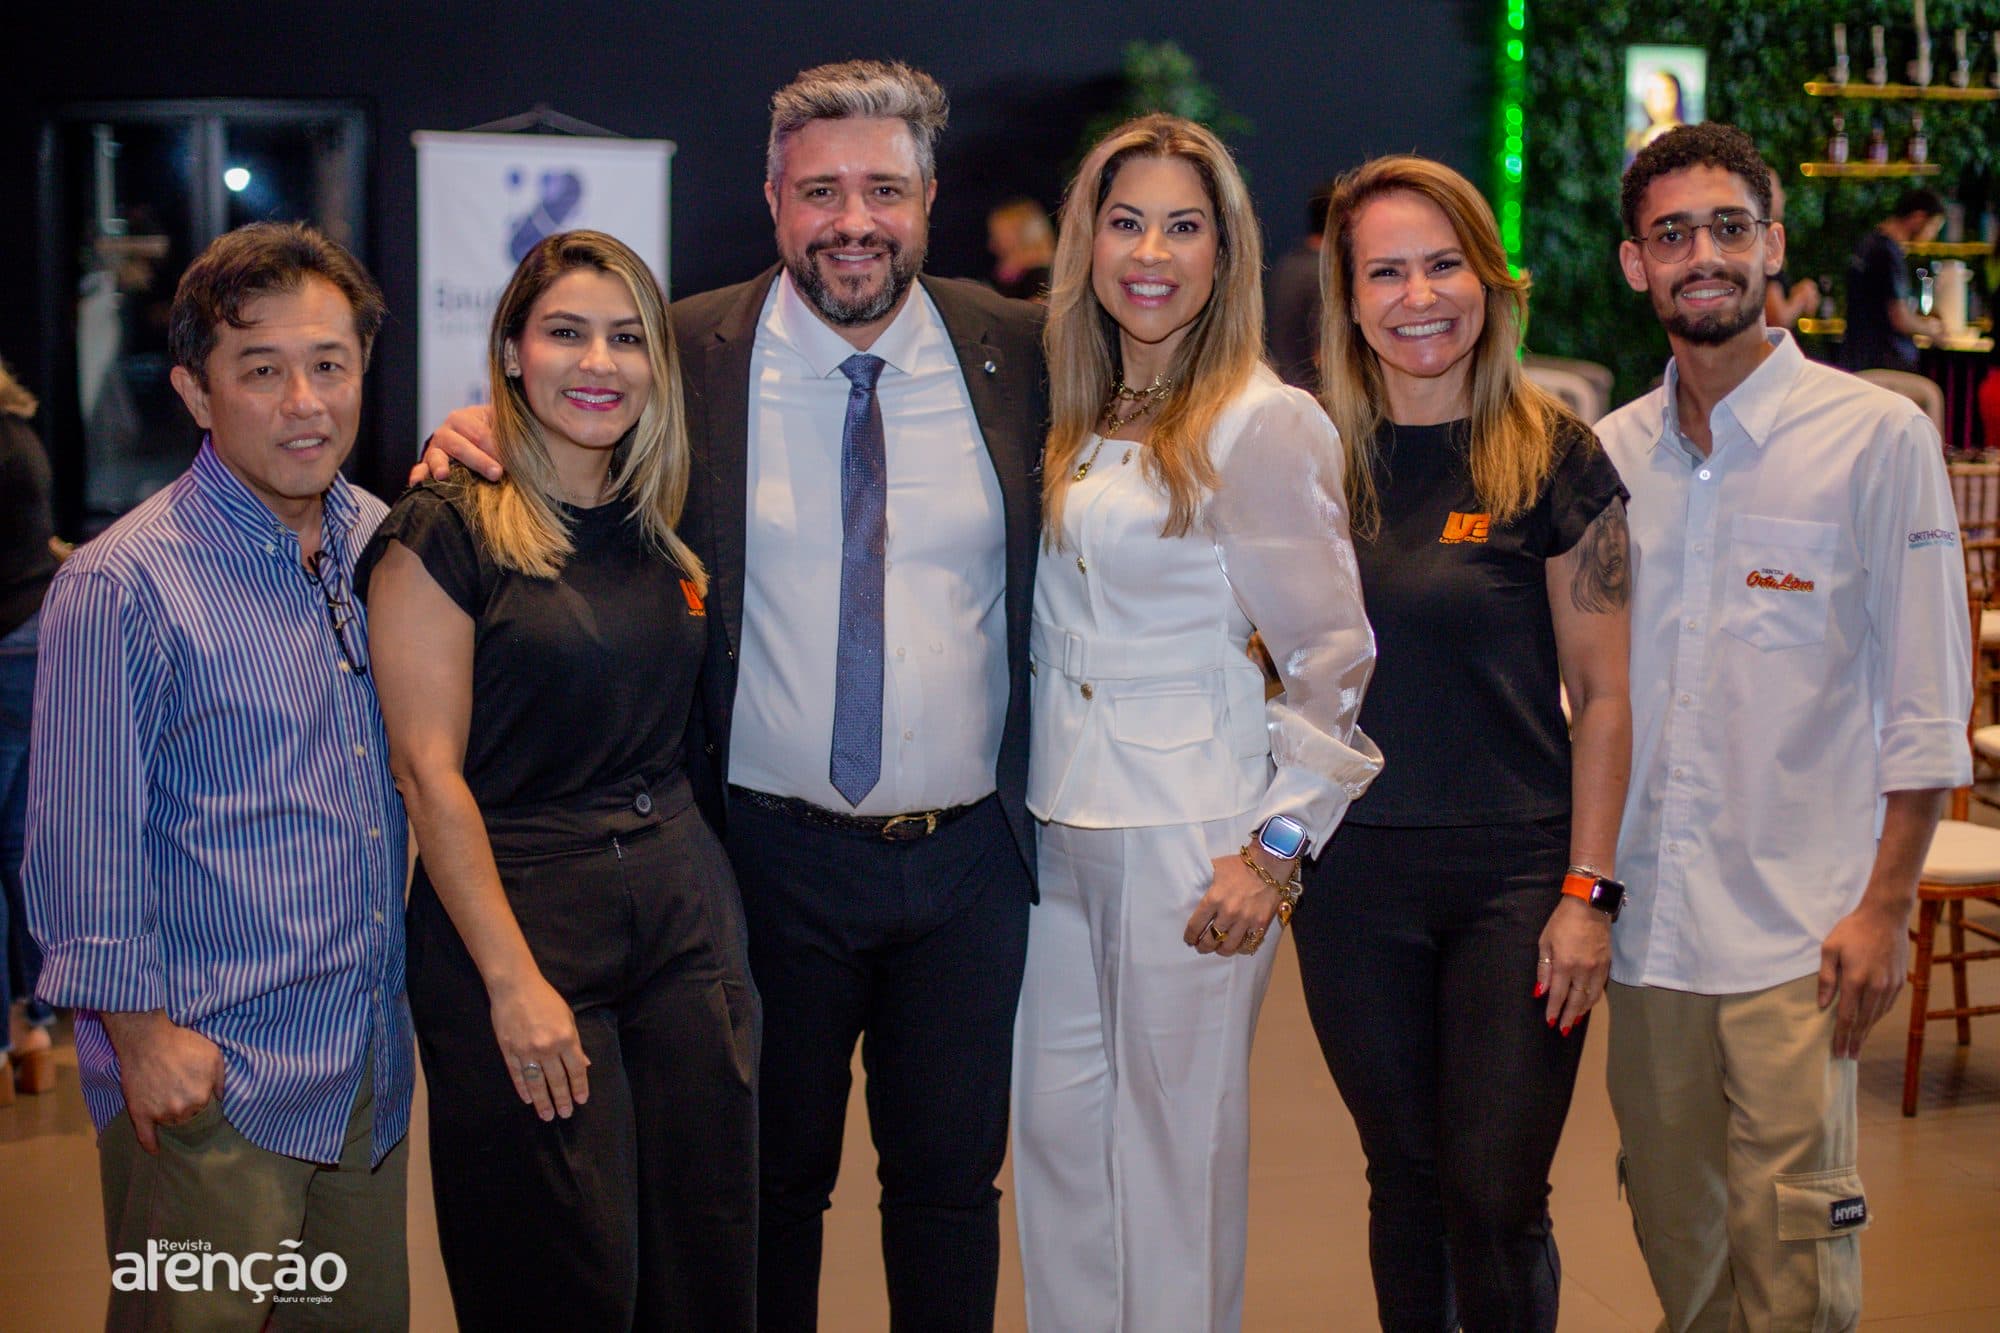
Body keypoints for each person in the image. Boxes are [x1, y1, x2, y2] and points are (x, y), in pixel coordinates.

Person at [419, 60, 1047, 1332]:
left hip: (970, 863)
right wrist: (474, 430)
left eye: (883, 190)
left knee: (950, 1191)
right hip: (761, 860)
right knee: (760, 1193)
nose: (852, 221)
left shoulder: (1022, 351)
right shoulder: (682, 355)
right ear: (771, 199)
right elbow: (562, 411)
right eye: (819, 192)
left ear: (929, 198)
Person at [1013, 114, 1381, 1332]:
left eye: (1182, 226)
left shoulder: (1260, 420)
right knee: (1062, 1152)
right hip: (1054, 824)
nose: (1150, 253)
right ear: (1086, 239)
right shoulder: (1076, 400)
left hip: (1191, 837)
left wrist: (1275, 850)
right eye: (1125, 223)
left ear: (1223, 252)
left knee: (1174, 1166)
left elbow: (1333, 657)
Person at [1602, 122, 1969, 1331]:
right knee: (1678, 1249)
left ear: (1769, 245)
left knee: (1797, 1270)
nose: (1700, 254)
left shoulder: (1874, 437)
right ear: (1634, 264)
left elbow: (1925, 698)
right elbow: (1586, 699)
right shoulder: (1607, 459)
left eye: (1726, 226)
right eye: (1671, 234)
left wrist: (1883, 907)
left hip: (1799, 939)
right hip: (1646, 936)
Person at [362, 230, 756, 1330]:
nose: (599, 363)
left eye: (627, 338)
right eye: (567, 332)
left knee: (705, 1265)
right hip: (521, 919)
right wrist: (510, 983)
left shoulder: (661, 524)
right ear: (512, 352)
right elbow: (426, 774)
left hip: (682, 924)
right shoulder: (443, 527)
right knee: (562, 1274)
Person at [24, 221, 412, 1328]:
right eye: (262, 370)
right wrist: (145, 1042)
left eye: (329, 364)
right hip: (213, 1090)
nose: (305, 402)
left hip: (363, 1073)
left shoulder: (381, 544)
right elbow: (80, 845)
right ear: (196, 391)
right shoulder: (122, 585)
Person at [1295, 155, 1634, 1332]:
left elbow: (1603, 695)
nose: (1417, 296)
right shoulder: (1307, 464)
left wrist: (1587, 891)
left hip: (1515, 880)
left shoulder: (1555, 456)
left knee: (1493, 1196)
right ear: (1347, 299)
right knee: (1405, 1181)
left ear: (1488, 281)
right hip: (1352, 882)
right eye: (1384, 271)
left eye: (1442, 264)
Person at [0, 358, 59, 1105]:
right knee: (18, 849)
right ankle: (34, 1026)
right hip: (35, 636)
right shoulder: (18, 431)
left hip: (6, 638)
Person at [1840, 187, 1947, 373]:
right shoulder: (1888, 253)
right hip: (1884, 362)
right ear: (1918, 218)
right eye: (1933, 227)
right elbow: (1899, 317)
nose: (1933, 236)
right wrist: (1931, 330)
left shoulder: (1867, 244)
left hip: (1859, 355)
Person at [1266, 177, 1334, 391]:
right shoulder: (1325, 275)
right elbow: (1325, 354)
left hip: (1284, 388)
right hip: (1316, 398)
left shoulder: (1286, 266)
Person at [1762, 168, 1820, 332]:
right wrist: (1802, 296)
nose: (1783, 196)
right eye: (1778, 189)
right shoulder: (1767, 245)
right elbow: (1778, 318)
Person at [987, 196, 1055, 301]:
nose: (993, 244)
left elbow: (1037, 307)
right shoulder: (1012, 273)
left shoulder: (1039, 274)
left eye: (998, 236)